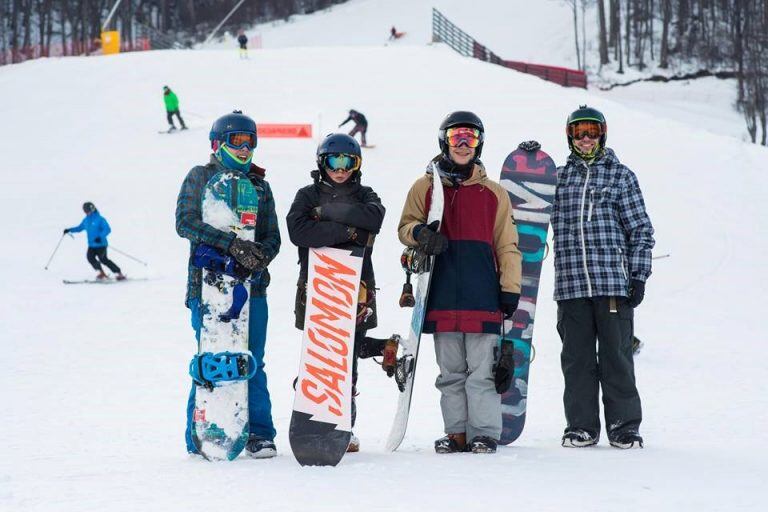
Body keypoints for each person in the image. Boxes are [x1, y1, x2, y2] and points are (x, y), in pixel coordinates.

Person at [397, 111, 522, 454]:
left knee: (482, 372)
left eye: (471, 138)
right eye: (457, 138)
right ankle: (456, 433)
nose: (464, 145)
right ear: (444, 142)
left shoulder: (493, 193)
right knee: (450, 373)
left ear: (480, 144)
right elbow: (405, 227)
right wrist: (420, 233)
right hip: (440, 294)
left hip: (482, 294)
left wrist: (510, 288)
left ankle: (483, 431)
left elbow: (507, 244)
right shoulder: (425, 188)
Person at [176, 110, 281, 458]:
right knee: (212, 356)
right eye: (237, 140)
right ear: (217, 143)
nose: (245, 147)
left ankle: (260, 434)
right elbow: (185, 222)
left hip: (253, 290)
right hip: (207, 289)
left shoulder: (259, 185)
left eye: (250, 140)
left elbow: (272, 238)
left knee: (252, 359)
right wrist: (230, 244)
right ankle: (201, 433)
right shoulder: (200, 176)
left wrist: (257, 256)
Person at [552, 105, 655, 450]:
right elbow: (528, 212)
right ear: (570, 136)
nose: (585, 138)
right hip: (570, 286)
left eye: (591, 132)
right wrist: (529, 165)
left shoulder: (620, 176)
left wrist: (638, 276)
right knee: (577, 362)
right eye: (579, 132)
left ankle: (623, 426)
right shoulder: (558, 178)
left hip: (612, 285)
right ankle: (581, 426)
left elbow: (640, 230)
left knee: (616, 358)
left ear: (602, 135)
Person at [286, 133, 394, 453]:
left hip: (355, 288)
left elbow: (375, 217)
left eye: (348, 162)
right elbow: (298, 231)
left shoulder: (365, 194)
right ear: (323, 163)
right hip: (318, 287)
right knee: (320, 353)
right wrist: (348, 231)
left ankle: (342, 426)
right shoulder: (306, 195)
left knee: (348, 361)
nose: (341, 169)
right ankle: (314, 415)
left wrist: (325, 215)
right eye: (334, 161)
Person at [64, 202, 126, 281]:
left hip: (101, 244)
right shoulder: (86, 220)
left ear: (92, 209)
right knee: (90, 258)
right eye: (85, 211)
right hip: (91, 245)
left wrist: (100, 237)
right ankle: (102, 273)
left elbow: (107, 229)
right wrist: (69, 230)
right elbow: (79, 228)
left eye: (87, 211)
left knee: (103, 259)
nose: (86, 212)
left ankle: (119, 274)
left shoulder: (100, 219)